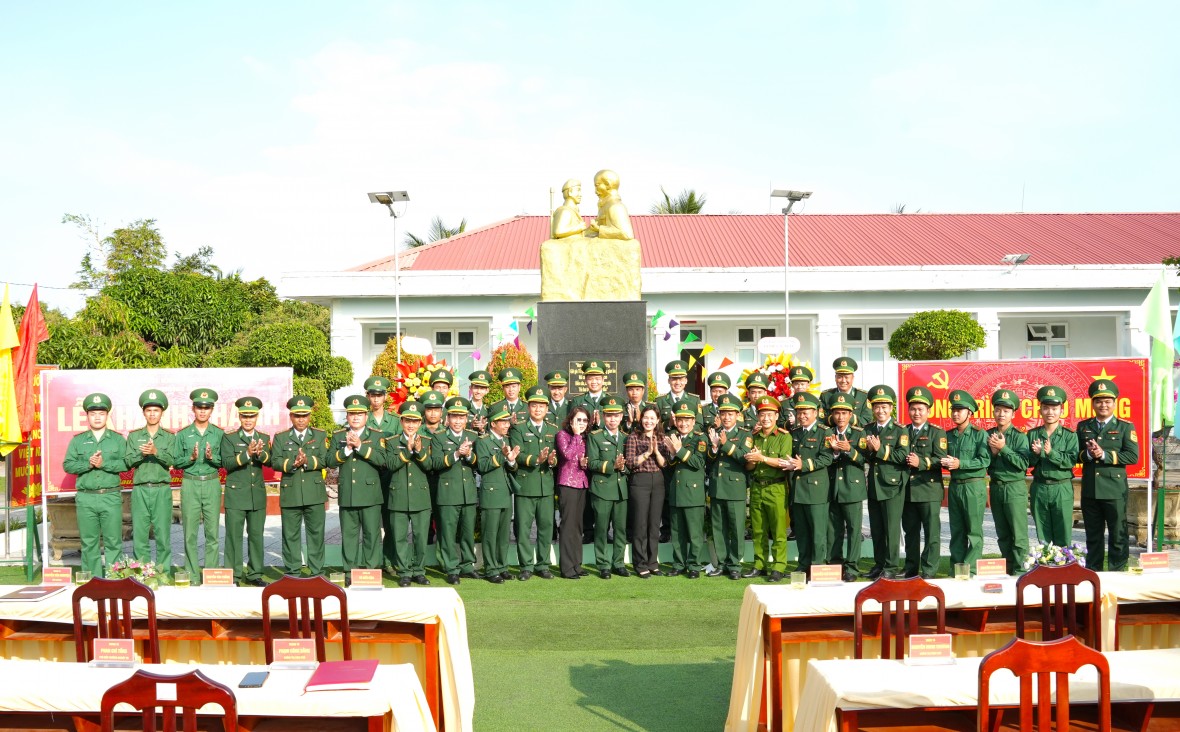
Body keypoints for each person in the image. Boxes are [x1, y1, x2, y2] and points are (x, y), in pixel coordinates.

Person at [63, 393, 128, 577]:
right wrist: (88, 464)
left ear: (107, 415)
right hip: (86, 497)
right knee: (89, 541)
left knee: (113, 540)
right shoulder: (78, 440)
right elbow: (67, 464)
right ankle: (93, 579)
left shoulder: (117, 440)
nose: (97, 417)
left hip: (110, 495)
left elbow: (126, 464)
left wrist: (103, 464)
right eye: (93, 413)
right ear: (87, 416)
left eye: (101, 413)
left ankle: (115, 577)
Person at [1077, 378, 1139, 571]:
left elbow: (1132, 456)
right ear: (1093, 403)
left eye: (1107, 401)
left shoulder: (1125, 427)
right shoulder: (1083, 426)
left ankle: (1117, 571)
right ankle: (1093, 573)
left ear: (1114, 403)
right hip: (1090, 491)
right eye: (1098, 401)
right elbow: (1075, 454)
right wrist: (1088, 454)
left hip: (1114, 491)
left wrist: (1103, 454)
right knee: (1093, 536)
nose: (1103, 405)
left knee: (1118, 535)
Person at [269, 395, 329, 577]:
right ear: (291, 417)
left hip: (314, 491)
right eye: (297, 415)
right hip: (291, 491)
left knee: (316, 534)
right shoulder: (281, 437)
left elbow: (326, 459)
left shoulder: (319, 435)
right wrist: (293, 463)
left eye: (304, 415)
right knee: (290, 534)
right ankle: (293, 570)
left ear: (310, 416)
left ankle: (316, 570)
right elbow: (275, 461)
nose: (301, 419)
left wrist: (307, 460)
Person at [328, 394, 388, 573]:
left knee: (371, 535)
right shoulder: (339, 436)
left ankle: (371, 570)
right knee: (349, 536)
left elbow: (382, 460)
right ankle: (350, 571)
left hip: (370, 495)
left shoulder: (377, 436)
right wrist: (346, 449)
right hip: (348, 494)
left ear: (366, 416)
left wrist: (361, 447)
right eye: (352, 414)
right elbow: (330, 461)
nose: (355, 417)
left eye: (360, 414)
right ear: (347, 417)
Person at [174, 388, 225, 583]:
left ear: (212, 410)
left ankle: (211, 574)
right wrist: (191, 457)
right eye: (199, 407)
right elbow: (176, 462)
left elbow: (224, 462)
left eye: (207, 408)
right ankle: (193, 575)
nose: (203, 411)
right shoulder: (183, 434)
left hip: (212, 482)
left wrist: (214, 458)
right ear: (193, 409)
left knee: (212, 532)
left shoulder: (219, 434)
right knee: (190, 533)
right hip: (190, 483)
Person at [221, 396, 270, 587]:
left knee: (256, 535)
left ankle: (255, 573)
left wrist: (260, 453)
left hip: (256, 494)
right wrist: (247, 453)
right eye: (244, 416)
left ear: (257, 417)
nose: (248, 420)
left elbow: (270, 461)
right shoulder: (230, 437)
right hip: (236, 494)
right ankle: (233, 575)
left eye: (252, 416)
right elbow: (227, 464)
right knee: (233, 536)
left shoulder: (264, 438)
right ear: (239, 417)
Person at [125, 389, 176, 572]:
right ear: (143, 412)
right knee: (140, 535)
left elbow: (174, 460)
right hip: (140, 489)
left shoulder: (169, 436)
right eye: (149, 410)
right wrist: (142, 453)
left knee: (163, 535)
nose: (152, 414)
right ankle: (142, 573)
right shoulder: (134, 436)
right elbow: (128, 461)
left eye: (156, 410)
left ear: (162, 412)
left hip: (161, 489)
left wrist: (156, 452)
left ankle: (163, 573)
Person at [429, 396, 480, 584]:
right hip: (448, 493)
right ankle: (451, 567)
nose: (458, 421)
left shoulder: (473, 436)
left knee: (467, 532)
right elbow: (434, 463)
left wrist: (469, 455)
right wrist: (457, 454)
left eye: (461, 417)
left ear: (466, 419)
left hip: (468, 492)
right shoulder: (439, 437)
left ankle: (467, 565)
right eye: (454, 417)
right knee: (448, 533)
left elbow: (479, 464)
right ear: (447, 418)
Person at [510, 385, 559, 580]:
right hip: (526, 485)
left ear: (547, 409)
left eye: (542, 406)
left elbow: (556, 458)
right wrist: (536, 460)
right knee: (523, 528)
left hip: (546, 486)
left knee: (546, 526)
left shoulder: (553, 429)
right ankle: (526, 566)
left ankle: (543, 564)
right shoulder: (519, 428)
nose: (538, 409)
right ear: (528, 407)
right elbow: (518, 454)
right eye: (534, 406)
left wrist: (552, 460)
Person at [784, 392, 835, 576]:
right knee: (802, 531)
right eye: (799, 412)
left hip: (816, 490)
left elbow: (827, 458)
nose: (802, 416)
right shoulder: (796, 433)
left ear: (816, 412)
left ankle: (817, 565)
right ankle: (803, 564)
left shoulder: (825, 432)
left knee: (818, 532)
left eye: (806, 412)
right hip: (798, 489)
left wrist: (802, 465)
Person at [384, 400, 433, 587]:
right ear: (401, 422)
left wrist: (419, 452)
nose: (411, 425)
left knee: (421, 537)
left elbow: (430, 466)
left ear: (420, 423)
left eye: (415, 421)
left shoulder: (427, 441)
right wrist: (408, 451)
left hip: (420, 496)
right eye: (407, 421)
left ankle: (419, 571)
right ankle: (404, 571)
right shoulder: (391, 442)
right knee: (400, 536)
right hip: (398, 496)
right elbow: (390, 464)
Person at [863, 385, 909, 580]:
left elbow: (903, 456)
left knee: (891, 528)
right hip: (873, 484)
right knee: (877, 528)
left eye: (884, 407)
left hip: (892, 485)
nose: (880, 411)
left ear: (891, 408)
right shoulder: (867, 429)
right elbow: (864, 453)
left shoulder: (900, 430)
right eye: (877, 407)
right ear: (872, 408)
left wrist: (880, 450)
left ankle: (890, 566)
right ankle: (879, 563)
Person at [744, 395, 792, 582]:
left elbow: (784, 462)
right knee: (758, 529)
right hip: (757, 486)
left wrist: (761, 458)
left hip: (776, 487)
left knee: (778, 530)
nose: (766, 418)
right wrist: (751, 460)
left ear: (776, 415)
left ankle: (779, 566)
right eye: (762, 414)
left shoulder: (783, 436)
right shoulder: (753, 437)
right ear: (757, 416)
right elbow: (749, 466)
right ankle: (759, 564)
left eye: (770, 415)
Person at [942, 390, 991, 573]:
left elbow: (984, 460)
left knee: (974, 531)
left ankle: (970, 570)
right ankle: (957, 567)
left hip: (973, 485)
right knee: (957, 530)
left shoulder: (979, 434)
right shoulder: (949, 435)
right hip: (955, 486)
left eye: (960, 410)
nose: (956, 413)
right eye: (953, 410)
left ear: (970, 412)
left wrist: (960, 463)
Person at [902, 386, 947, 579]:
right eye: (913, 409)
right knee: (910, 532)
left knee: (931, 533)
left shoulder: (937, 433)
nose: (916, 412)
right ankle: (911, 567)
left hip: (928, 489)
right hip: (907, 491)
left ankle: (929, 569)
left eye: (921, 409)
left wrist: (921, 462)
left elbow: (942, 459)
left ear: (928, 411)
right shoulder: (902, 431)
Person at [707, 393, 752, 580]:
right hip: (717, 487)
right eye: (723, 413)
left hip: (734, 488)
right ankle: (722, 563)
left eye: (730, 413)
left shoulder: (744, 434)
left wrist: (725, 445)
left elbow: (745, 458)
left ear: (737, 415)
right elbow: (708, 461)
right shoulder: (714, 432)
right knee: (719, 528)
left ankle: (735, 564)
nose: (726, 417)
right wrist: (715, 448)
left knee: (736, 527)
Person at [1027, 385, 1079, 547]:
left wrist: (1050, 453)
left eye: (1054, 408)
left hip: (1061, 488)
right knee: (1042, 533)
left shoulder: (1070, 435)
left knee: (1063, 531)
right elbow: (1027, 462)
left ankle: (1064, 567)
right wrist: (1035, 454)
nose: (1050, 412)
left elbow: (1071, 460)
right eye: (1046, 408)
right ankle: (1046, 566)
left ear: (1061, 411)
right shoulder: (1033, 434)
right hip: (1040, 487)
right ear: (1040, 410)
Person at [987, 389, 1032, 574]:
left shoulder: (1020, 436)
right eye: (998, 410)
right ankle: (1007, 569)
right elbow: (983, 462)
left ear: (1013, 414)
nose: (1001, 414)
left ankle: (1021, 571)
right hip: (996, 487)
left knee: (1018, 534)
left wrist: (1003, 449)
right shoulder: (987, 435)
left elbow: (1023, 464)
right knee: (1002, 534)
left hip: (1014, 488)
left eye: (1006, 411)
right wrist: (994, 453)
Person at [826, 394, 868, 583]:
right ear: (832, 414)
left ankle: (852, 566)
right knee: (833, 529)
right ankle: (835, 563)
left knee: (853, 529)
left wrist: (849, 450)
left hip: (852, 487)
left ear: (851, 414)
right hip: (831, 487)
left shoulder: (859, 433)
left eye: (844, 413)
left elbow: (864, 459)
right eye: (837, 413)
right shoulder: (826, 433)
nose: (841, 417)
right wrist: (834, 452)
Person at [664, 400, 708, 578]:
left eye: (687, 420)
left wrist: (680, 450)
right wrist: (673, 454)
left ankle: (694, 565)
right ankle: (678, 563)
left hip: (693, 493)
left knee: (694, 533)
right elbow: (670, 465)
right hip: (676, 491)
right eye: (680, 420)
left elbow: (699, 462)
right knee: (677, 531)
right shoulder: (673, 435)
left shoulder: (700, 437)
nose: (683, 423)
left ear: (693, 420)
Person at [587, 395, 629, 578]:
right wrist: (613, 466)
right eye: (609, 415)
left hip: (621, 490)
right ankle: (603, 564)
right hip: (602, 489)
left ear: (622, 417)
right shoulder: (595, 437)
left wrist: (624, 466)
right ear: (603, 417)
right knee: (602, 529)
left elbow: (631, 462)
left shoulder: (626, 438)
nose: (613, 419)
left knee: (620, 529)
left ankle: (619, 563)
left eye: (616, 415)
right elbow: (592, 463)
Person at [625, 405, 670, 578]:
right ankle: (640, 563)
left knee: (653, 524)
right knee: (640, 524)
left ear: (658, 420)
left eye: (652, 418)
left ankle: (653, 563)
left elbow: (664, 463)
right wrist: (647, 454)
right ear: (640, 418)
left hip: (658, 481)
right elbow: (629, 463)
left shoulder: (661, 437)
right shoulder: (633, 437)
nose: (648, 421)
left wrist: (656, 452)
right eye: (646, 417)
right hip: (640, 481)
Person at [476, 405, 518, 583]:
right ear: (493, 424)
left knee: (503, 534)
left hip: (505, 491)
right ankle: (491, 568)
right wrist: (502, 457)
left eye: (507, 421)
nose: (507, 425)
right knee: (490, 533)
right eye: (503, 422)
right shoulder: (483, 441)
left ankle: (502, 566)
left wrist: (511, 460)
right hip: (491, 493)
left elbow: (512, 468)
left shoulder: (505, 441)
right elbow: (483, 466)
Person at [364, 375, 399, 576]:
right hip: (368, 476)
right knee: (370, 524)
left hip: (389, 476)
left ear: (385, 397)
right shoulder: (361, 418)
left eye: (380, 395)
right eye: (372, 395)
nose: (376, 399)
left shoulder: (394, 422)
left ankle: (388, 560)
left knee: (391, 521)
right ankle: (372, 563)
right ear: (367, 396)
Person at [555, 406, 592, 579]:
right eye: (578, 420)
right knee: (568, 526)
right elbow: (568, 455)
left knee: (578, 527)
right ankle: (567, 568)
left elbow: (581, 461)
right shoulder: (563, 435)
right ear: (571, 421)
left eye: (585, 420)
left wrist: (585, 463)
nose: (582, 423)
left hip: (582, 484)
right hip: (567, 484)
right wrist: (576, 436)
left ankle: (577, 565)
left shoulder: (586, 439)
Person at [820, 357, 872, 428]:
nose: (843, 381)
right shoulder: (826, 396)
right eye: (840, 377)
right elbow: (820, 420)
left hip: (856, 437)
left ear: (852, 378)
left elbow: (867, 421)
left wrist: (847, 417)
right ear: (835, 378)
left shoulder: (863, 396)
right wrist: (835, 418)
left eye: (847, 377)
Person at [585, 168, 635, 240]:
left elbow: (627, 234)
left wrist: (599, 229)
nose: (595, 191)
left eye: (597, 185)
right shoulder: (604, 206)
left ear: (607, 184)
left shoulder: (615, 206)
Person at [655, 360, 702, 430]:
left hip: (689, 440)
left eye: (681, 379)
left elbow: (699, 425)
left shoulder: (695, 400)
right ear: (669, 381)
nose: (677, 382)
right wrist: (669, 423)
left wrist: (685, 431)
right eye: (674, 379)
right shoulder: (660, 401)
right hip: (667, 439)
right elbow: (655, 426)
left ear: (686, 380)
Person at [570, 359, 608, 429]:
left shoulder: (609, 400)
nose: (594, 382)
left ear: (603, 380)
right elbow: (573, 423)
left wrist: (599, 422)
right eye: (590, 379)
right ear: (585, 380)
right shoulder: (577, 401)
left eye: (597, 379)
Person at [467, 370, 491, 435]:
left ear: (487, 391)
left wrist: (482, 431)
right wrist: (470, 426)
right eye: (476, 387)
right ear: (470, 388)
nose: (478, 391)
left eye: (482, 388)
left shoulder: (489, 411)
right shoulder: (465, 408)